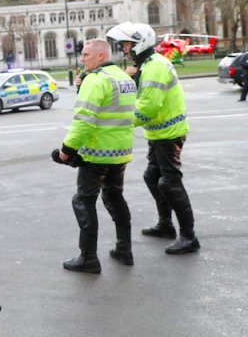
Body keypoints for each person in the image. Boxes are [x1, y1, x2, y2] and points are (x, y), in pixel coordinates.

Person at [106, 22, 200, 254]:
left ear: (140, 44)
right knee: (152, 176)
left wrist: (119, 122)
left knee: (169, 182)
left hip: (169, 135)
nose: (125, 49)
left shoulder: (155, 66)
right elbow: (140, 96)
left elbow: (148, 106)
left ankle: (189, 237)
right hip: (158, 134)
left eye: (128, 44)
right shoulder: (147, 65)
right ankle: (166, 224)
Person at [54, 39, 137, 273]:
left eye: (86, 54)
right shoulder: (123, 78)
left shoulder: (96, 80)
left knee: (83, 201)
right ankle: (124, 249)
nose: (82, 58)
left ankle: (88, 257)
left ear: (100, 56)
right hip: (120, 153)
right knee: (115, 197)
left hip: (96, 155)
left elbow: (84, 121)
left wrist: (66, 150)